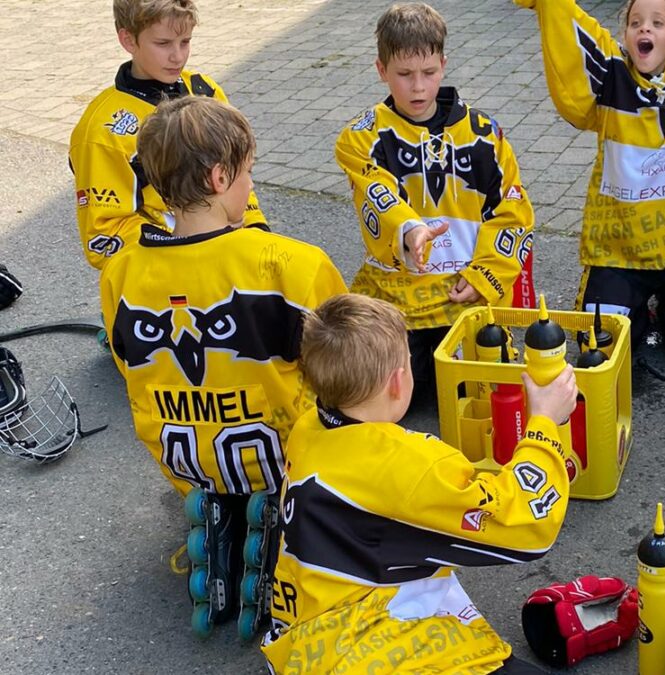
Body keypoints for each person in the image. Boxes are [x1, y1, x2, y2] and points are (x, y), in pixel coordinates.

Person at [99, 96, 347, 633]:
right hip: (281, 458)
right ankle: (288, 520)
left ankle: (215, 512)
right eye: (248, 172)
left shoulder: (120, 273)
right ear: (218, 177)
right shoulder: (292, 264)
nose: (251, 185)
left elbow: (129, 367)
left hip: (187, 461)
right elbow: (344, 373)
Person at [260, 293, 578, 674]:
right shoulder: (409, 465)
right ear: (398, 381)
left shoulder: (308, 427)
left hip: (308, 642)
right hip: (372, 646)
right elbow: (527, 526)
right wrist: (545, 422)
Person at [513, 0, 665, 368]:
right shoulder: (611, 76)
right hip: (619, 248)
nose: (644, 29)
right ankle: (639, 310)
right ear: (625, 36)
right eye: (635, 22)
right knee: (603, 349)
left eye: (657, 23)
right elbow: (568, 21)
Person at [335, 2, 536, 409]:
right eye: (404, 75)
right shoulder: (359, 138)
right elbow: (380, 194)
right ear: (381, 70)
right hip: (399, 301)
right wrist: (410, 230)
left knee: (474, 399)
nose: (418, 88)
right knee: (390, 397)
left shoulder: (485, 134)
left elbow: (514, 213)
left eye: (428, 73)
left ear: (443, 64)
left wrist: (484, 275)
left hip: (467, 295)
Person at [70, 0, 267, 271]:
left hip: (227, 254)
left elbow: (237, 171)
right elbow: (103, 236)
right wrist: (182, 248)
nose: (177, 56)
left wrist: (256, 229)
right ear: (128, 39)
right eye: (163, 44)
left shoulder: (205, 90)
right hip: (160, 272)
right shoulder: (102, 130)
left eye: (185, 41)